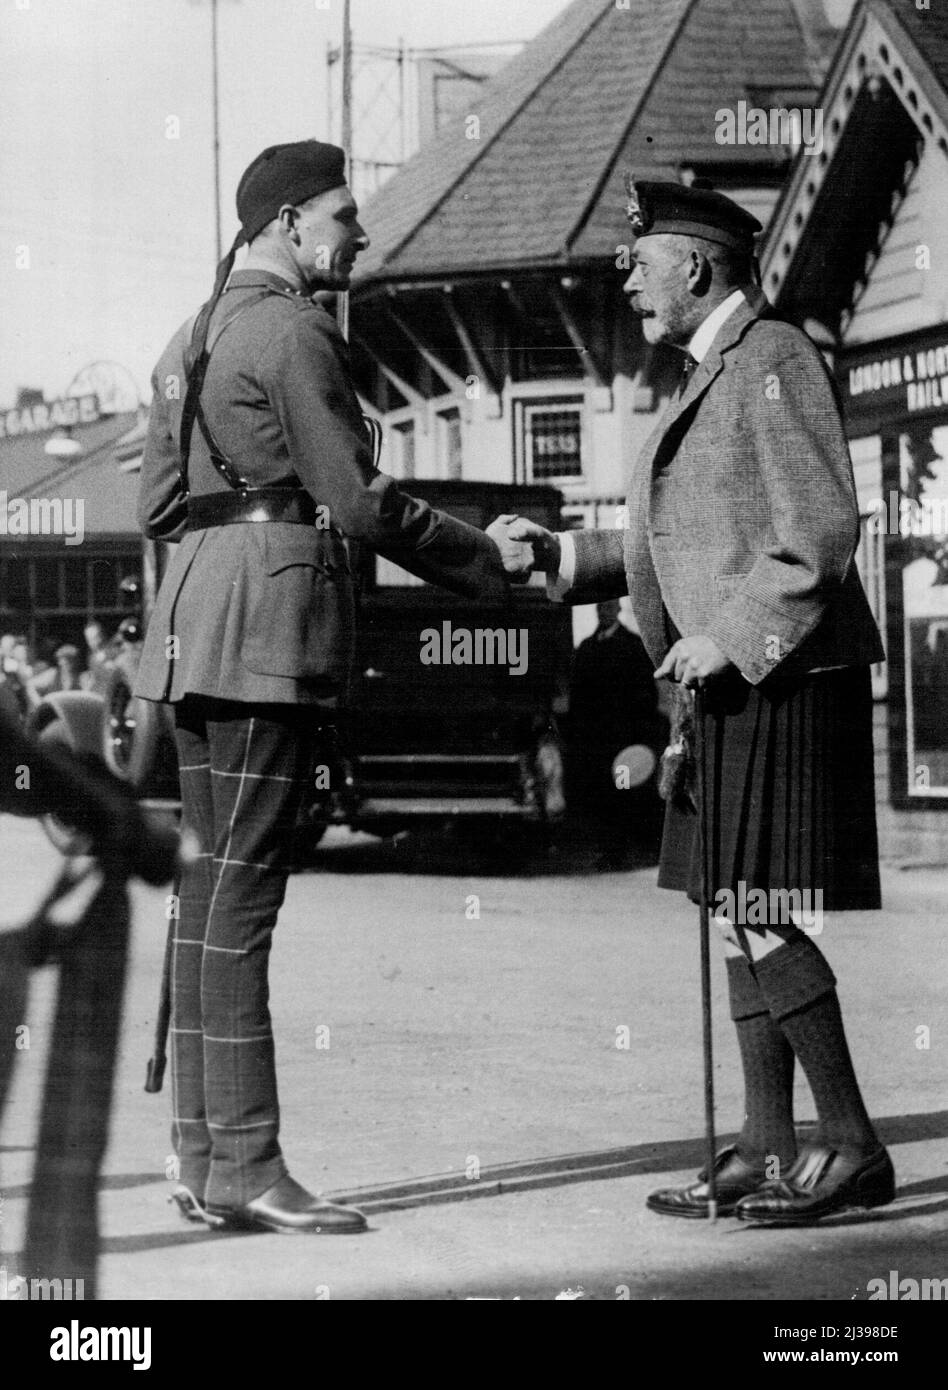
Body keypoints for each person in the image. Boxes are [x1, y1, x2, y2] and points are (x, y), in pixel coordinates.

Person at [491, 178, 894, 1225]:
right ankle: (766, 1146)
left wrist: (732, 633)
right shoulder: (708, 373)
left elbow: (820, 528)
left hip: (776, 669)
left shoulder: (773, 359)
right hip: (721, 679)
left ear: (698, 267)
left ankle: (848, 1142)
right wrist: (566, 555)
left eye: (640, 260)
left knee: (755, 901)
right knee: (731, 906)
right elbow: (678, 539)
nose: (625, 279)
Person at [135, 140, 508, 1236]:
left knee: (208, 892)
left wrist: (234, 515)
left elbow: (160, 504)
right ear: (292, 224)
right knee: (243, 895)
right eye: (347, 216)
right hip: (267, 634)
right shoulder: (296, 329)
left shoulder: (187, 334)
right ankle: (247, 1164)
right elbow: (360, 501)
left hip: (194, 628)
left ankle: (203, 1156)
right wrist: (491, 559)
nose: (361, 234)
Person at [567, 599, 664, 866]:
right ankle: (609, 850)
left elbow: (646, 696)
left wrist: (636, 735)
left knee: (623, 795)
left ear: (618, 610)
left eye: (609, 607)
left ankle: (620, 851)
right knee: (602, 796)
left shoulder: (633, 646)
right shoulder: (587, 647)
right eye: (600, 608)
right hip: (596, 740)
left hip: (623, 740)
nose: (604, 612)